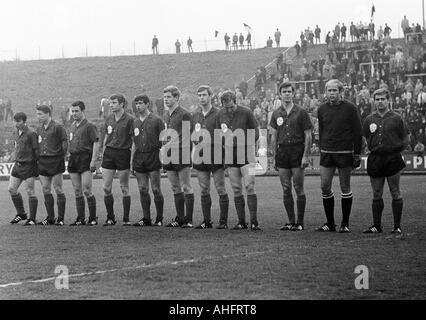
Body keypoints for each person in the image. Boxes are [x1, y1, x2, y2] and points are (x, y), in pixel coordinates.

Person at [316, 79, 363, 233]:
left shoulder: (350, 108)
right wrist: (322, 147)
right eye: (329, 90)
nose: (332, 93)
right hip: (327, 153)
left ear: (341, 92)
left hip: (344, 153)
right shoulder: (322, 109)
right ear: (326, 92)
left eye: (335, 90)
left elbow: (358, 132)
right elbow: (322, 130)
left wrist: (357, 154)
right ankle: (330, 223)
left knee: (345, 187)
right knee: (324, 186)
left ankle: (345, 223)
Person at [362, 89, 409, 234]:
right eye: (377, 99)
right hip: (375, 158)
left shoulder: (396, 117)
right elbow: (365, 136)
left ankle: (397, 226)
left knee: (395, 191)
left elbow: (406, 137)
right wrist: (371, 147)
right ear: (373, 101)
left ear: (388, 100)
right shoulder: (369, 119)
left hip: (392, 157)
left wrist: (397, 151)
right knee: (376, 193)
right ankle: (377, 225)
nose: (380, 102)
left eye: (382, 99)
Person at [215, 90, 261, 230]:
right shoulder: (220, 114)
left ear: (235, 102)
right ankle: (242, 222)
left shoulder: (246, 112)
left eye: (231, 106)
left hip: (247, 155)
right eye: (226, 107)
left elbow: (256, 131)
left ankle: (254, 222)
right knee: (236, 189)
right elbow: (219, 134)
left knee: (250, 186)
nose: (228, 109)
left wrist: (247, 145)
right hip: (230, 155)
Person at [270, 83, 313, 231]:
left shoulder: (301, 112)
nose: (287, 94)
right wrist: (274, 156)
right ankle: (291, 221)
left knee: (298, 187)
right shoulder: (276, 113)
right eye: (284, 92)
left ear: (293, 94)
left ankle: (300, 223)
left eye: (289, 91)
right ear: (280, 94)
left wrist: (305, 156)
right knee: (286, 188)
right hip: (282, 153)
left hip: (297, 151)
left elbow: (308, 135)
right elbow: (273, 136)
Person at [192, 85, 229, 229]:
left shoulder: (219, 114)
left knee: (220, 188)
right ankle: (206, 221)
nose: (202, 98)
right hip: (201, 155)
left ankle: (223, 221)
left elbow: (225, 135)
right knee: (203, 189)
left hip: (216, 154)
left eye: (204, 95)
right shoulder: (195, 115)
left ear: (211, 96)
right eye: (199, 95)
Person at [162, 86, 195, 228]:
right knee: (175, 187)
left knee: (186, 186)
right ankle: (180, 218)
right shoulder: (166, 114)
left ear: (176, 98)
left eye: (169, 97)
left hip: (182, 153)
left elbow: (188, 135)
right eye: (165, 97)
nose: (166, 99)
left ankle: (188, 219)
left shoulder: (185, 114)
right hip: (169, 154)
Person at [130, 95, 165, 227]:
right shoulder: (135, 122)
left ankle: (159, 218)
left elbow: (163, 142)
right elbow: (134, 142)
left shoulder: (157, 120)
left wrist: (163, 160)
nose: (138, 106)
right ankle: (146, 218)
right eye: (136, 103)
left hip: (153, 156)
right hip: (139, 158)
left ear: (147, 104)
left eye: (140, 103)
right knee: (143, 189)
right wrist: (131, 161)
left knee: (156, 189)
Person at [101, 94, 135, 226]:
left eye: (114, 102)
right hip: (109, 154)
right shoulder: (109, 118)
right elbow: (105, 138)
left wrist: (132, 160)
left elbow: (133, 141)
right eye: (110, 102)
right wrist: (103, 153)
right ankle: (110, 217)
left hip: (123, 154)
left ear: (122, 104)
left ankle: (126, 218)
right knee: (106, 187)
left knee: (124, 187)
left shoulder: (130, 119)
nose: (111, 105)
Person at [67, 101, 100, 226]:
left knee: (87, 189)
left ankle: (93, 218)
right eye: (73, 111)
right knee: (77, 190)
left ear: (83, 111)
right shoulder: (72, 126)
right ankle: (80, 218)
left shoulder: (90, 126)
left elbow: (95, 143)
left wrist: (93, 160)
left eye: (77, 111)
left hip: (85, 158)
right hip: (74, 159)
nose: (74, 113)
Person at [36, 104, 68, 226]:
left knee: (58, 188)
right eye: (37, 114)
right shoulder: (39, 129)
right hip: (43, 162)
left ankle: (60, 218)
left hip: (55, 161)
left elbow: (65, 142)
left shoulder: (58, 127)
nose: (38, 117)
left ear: (48, 114)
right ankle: (50, 217)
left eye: (40, 114)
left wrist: (61, 156)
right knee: (45, 189)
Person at [8, 112, 39, 225]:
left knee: (30, 191)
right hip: (18, 165)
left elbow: (36, 151)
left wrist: (35, 166)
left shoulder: (31, 133)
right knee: (11, 189)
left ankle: (32, 219)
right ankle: (21, 214)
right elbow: (17, 147)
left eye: (18, 121)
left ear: (24, 121)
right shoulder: (16, 132)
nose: (16, 123)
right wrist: (13, 154)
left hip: (28, 166)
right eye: (14, 121)